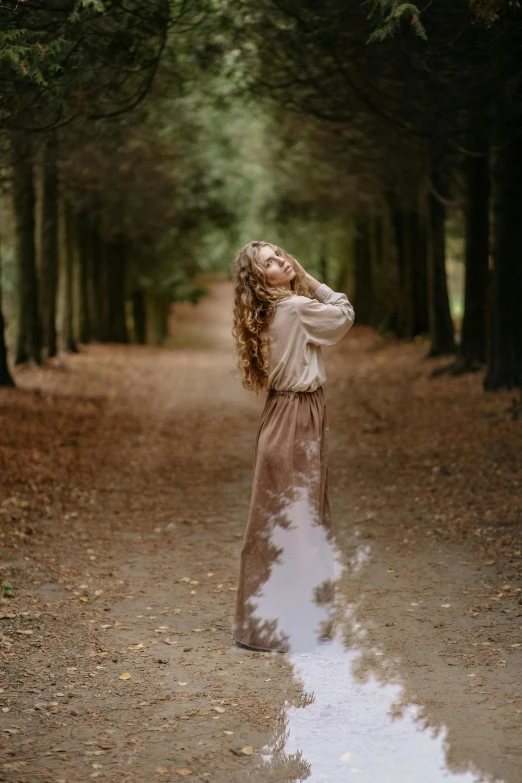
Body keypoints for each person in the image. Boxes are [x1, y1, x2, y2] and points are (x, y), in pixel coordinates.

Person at [231, 241, 355, 653]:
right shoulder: (297, 308)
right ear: (260, 278)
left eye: (281, 255)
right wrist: (313, 281)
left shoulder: (271, 310)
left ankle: (270, 624)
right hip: (297, 418)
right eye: (270, 262)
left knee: (277, 519)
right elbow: (344, 316)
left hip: (282, 418)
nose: (281, 261)